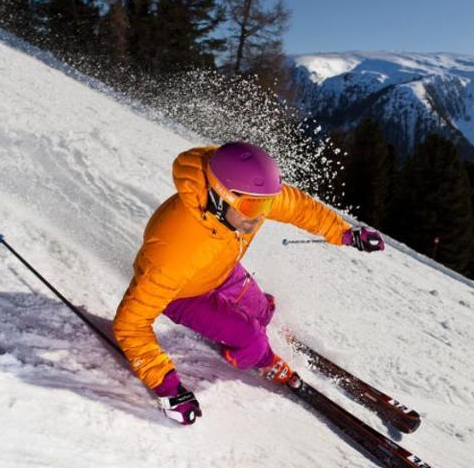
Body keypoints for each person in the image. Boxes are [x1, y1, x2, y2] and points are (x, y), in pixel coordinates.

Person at [113, 141, 385, 425]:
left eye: (266, 204)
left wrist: (346, 233)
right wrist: (169, 390)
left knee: (265, 313)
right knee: (252, 339)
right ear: (219, 198)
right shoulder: (173, 251)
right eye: (252, 206)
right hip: (184, 294)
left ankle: (253, 321)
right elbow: (130, 324)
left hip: (221, 269)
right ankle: (256, 357)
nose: (258, 217)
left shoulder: (245, 200)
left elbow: (296, 206)